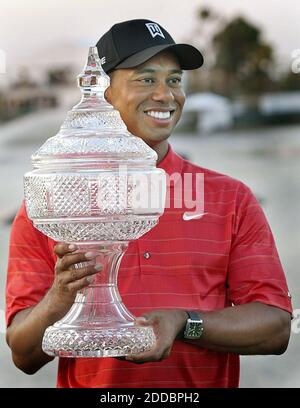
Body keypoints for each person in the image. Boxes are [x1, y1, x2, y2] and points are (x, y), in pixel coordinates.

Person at [6, 19, 292, 388]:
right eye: (145, 79)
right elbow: (23, 355)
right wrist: (59, 299)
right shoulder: (52, 204)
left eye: (174, 80)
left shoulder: (229, 198)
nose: (165, 94)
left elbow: (276, 328)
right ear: (105, 94)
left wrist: (184, 323)